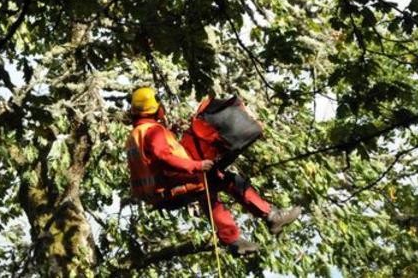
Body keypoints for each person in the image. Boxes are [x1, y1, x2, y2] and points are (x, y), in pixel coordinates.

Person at [125, 87, 302, 255]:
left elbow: (153, 159)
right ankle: (271, 216)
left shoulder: (136, 134)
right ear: (155, 109)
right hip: (175, 184)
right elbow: (163, 157)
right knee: (229, 180)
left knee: (208, 192)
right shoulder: (153, 131)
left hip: (159, 194)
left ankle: (234, 240)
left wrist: (172, 133)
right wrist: (197, 166)